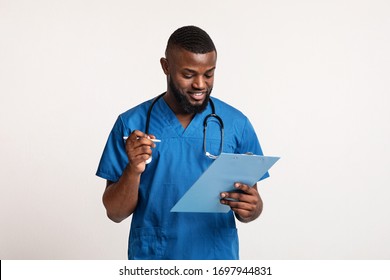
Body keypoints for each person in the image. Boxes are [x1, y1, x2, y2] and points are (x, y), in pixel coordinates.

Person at [96, 25, 269, 260]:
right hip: (154, 259)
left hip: (216, 260)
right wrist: (134, 169)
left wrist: (253, 208)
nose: (200, 84)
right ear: (166, 67)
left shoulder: (237, 124)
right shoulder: (131, 125)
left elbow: (250, 206)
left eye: (209, 74)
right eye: (188, 75)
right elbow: (115, 213)